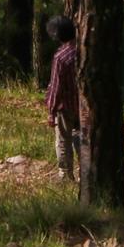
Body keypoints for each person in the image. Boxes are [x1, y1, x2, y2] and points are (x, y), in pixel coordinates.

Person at [44, 15, 80, 181]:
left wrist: (51, 110)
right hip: (84, 106)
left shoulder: (61, 57)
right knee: (83, 138)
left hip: (65, 107)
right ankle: (86, 172)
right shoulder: (83, 50)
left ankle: (65, 176)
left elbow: (56, 86)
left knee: (63, 141)